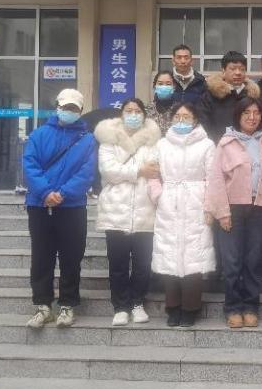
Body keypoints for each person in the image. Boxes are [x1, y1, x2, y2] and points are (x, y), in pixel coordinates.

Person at [22, 88, 97, 329]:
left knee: (71, 257)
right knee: (41, 256)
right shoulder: (39, 134)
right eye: (65, 107)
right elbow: (30, 165)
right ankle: (42, 305)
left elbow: (87, 172)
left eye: (73, 108)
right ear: (57, 107)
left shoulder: (87, 140)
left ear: (81, 111)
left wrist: (63, 194)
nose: (69, 112)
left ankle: (67, 304)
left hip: (72, 205)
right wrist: (45, 192)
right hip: (39, 204)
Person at [206, 97, 262, 329]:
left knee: (254, 260)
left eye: (256, 112)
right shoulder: (226, 143)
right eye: (246, 112)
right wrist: (222, 212)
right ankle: (233, 307)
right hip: (232, 208)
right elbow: (216, 179)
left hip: (259, 208)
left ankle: (251, 306)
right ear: (238, 115)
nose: (252, 117)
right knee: (232, 261)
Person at [94, 99, 161, 326]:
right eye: (128, 111)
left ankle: (137, 303)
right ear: (121, 114)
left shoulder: (153, 142)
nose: (133, 115)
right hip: (115, 210)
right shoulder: (108, 141)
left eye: (137, 111)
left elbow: (155, 170)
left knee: (143, 264)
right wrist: (139, 170)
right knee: (118, 264)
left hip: (146, 209)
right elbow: (108, 171)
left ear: (144, 115)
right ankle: (120, 306)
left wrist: (130, 172)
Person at [148, 102, 216, 328]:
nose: (181, 120)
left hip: (196, 202)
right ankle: (172, 307)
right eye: (177, 116)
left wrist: (209, 207)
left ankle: (190, 308)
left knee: (194, 256)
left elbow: (213, 178)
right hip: (169, 202)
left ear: (195, 120)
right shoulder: (162, 144)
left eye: (186, 117)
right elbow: (152, 173)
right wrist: (158, 195)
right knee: (169, 254)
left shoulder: (207, 144)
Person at [198, 50, 261, 143]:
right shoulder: (210, 95)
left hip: (247, 147)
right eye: (233, 69)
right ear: (223, 71)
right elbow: (204, 125)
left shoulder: (252, 96)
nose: (238, 73)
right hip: (218, 146)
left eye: (242, 69)